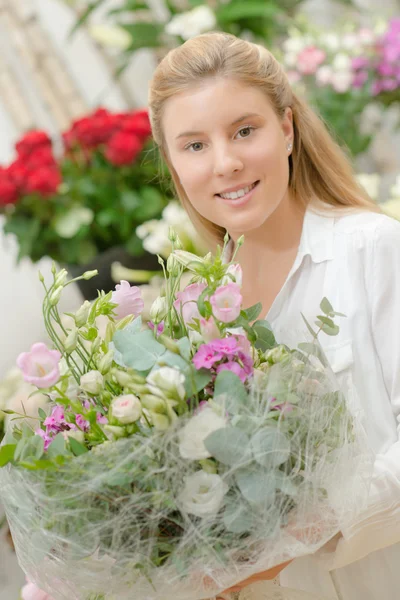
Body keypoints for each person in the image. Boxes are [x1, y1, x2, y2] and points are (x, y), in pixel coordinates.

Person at [148, 32, 400, 600]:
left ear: (286, 129)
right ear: (172, 164)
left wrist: (298, 536)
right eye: (194, 145)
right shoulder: (190, 318)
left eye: (244, 130)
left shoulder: (372, 248)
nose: (226, 163)